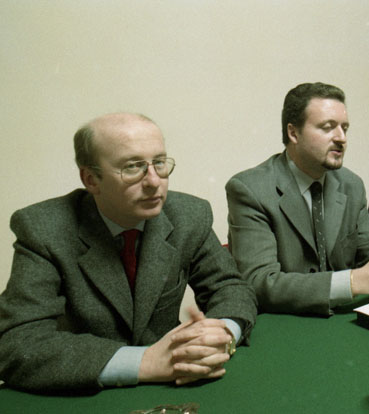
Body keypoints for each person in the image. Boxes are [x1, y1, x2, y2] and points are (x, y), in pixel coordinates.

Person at [0, 113, 257, 392]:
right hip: (88, 392)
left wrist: (221, 333)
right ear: (91, 179)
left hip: (176, 384)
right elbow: (17, 343)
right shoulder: (43, 229)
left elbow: (230, 287)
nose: (154, 181)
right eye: (133, 167)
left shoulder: (189, 215)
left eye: (159, 162)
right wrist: (145, 362)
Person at [225, 82, 369, 316]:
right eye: (328, 127)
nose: (341, 138)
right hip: (283, 321)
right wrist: (354, 282)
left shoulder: (351, 185)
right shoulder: (250, 189)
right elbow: (259, 283)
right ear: (293, 133)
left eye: (345, 128)